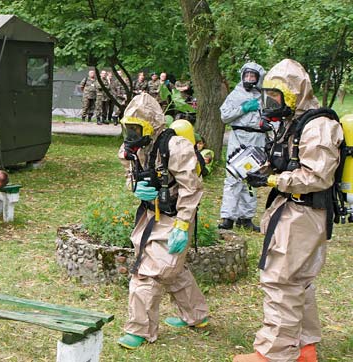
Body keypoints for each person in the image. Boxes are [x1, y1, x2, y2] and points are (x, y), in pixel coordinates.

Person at [233, 59, 343, 362]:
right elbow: (289, 161)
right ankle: (305, 348)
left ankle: (274, 354)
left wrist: (272, 179)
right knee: (299, 281)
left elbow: (317, 176)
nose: (272, 101)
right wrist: (262, 169)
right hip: (291, 208)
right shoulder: (294, 122)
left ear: (294, 93)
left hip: (304, 211)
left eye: (277, 95)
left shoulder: (319, 125)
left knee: (281, 280)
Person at [116, 93, 209, 350]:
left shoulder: (176, 147)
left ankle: (139, 330)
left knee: (148, 272)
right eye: (128, 128)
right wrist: (135, 188)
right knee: (173, 270)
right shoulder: (132, 149)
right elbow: (129, 174)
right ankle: (197, 315)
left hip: (174, 215)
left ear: (150, 125)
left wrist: (182, 225)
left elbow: (192, 189)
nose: (131, 134)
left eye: (136, 128)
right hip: (150, 213)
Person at [218, 62, 266, 232]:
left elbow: (273, 117)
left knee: (252, 178)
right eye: (247, 75)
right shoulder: (235, 95)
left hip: (257, 139)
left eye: (253, 76)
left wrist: (267, 126)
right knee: (233, 177)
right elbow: (225, 116)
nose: (249, 79)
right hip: (238, 138)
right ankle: (228, 217)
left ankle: (246, 217)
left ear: (258, 78)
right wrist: (243, 108)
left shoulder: (264, 97)